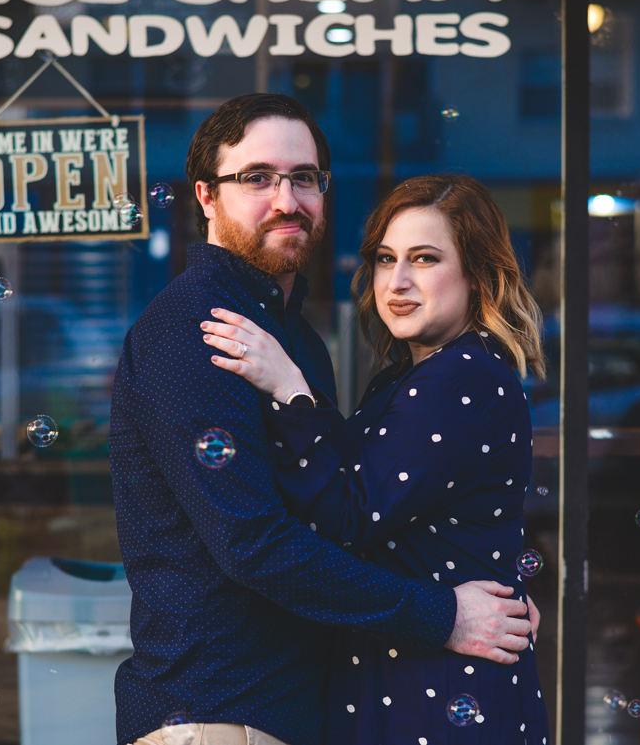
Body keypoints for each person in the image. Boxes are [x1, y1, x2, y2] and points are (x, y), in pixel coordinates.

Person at [109, 95, 536, 745]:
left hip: (296, 706)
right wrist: (444, 612)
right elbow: (256, 544)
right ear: (205, 195)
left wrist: (477, 583)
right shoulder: (201, 332)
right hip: (219, 709)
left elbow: (340, 506)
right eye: (257, 178)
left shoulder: (291, 340)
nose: (287, 198)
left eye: (304, 177)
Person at [201, 174, 550, 744]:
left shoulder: (459, 377)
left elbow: (347, 515)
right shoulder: (418, 374)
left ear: (479, 274)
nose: (399, 282)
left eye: (426, 258)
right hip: (417, 668)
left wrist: (290, 387)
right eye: (387, 259)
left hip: (436, 691)